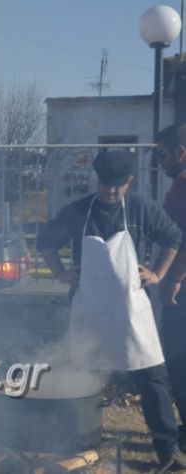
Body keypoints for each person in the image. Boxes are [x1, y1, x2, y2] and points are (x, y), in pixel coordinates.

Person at [37, 150, 186, 470]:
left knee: (152, 379)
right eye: (105, 183)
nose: (109, 190)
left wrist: (159, 274)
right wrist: (60, 271)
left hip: (132, 313)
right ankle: (79, 442)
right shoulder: (79, 210)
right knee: (81, 375)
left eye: (116, 185)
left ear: (129, 181)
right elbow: (46, 240)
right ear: (98, 180)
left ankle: (167, 448)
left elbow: (174, 237)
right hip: (91, 311)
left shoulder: (142, 209)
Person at [156, 123, 186, 450]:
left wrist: (174, 280)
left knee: (181, 361)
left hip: (183, 290)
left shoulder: (183, 186)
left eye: (162, 154)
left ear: (180, 152)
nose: (160, 161)